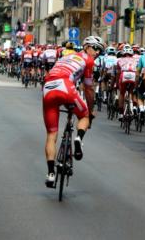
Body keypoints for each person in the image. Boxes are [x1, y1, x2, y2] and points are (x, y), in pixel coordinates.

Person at [42, 36, 101, 187]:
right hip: (65, 86)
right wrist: (90, 109)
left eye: (99, 50)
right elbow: (88, 89)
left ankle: (50, 173)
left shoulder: (65, 57)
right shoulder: (88, 60)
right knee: (84, 116)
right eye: (95, 48)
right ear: (86, 46)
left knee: (51, 134)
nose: (97, 52)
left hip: (48, 88)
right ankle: (78, 139)